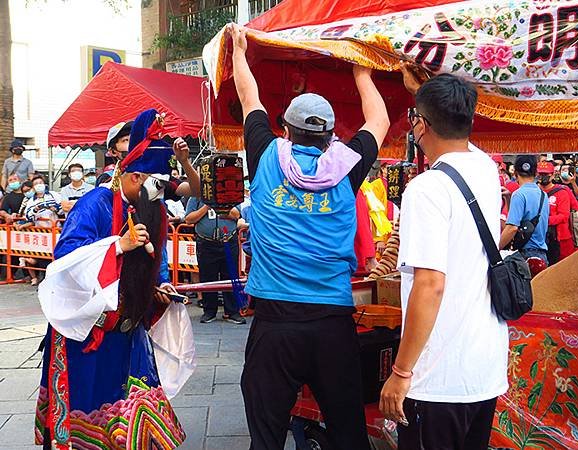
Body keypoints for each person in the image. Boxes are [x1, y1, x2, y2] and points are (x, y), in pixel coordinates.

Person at [229, 23, 390, 450]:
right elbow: (380, 119)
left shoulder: (265, 154)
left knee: (265, 437)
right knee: (348, 432)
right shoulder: (348, 167)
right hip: (332, 324)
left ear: (286, 129)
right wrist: (362, 74)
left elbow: (250, 98)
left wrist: (240, 52)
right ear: (330, 135)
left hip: (275, 323)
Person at [34, 109, 194, 450]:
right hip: (87, 330)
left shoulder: (148, 205)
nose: (160, 193)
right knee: (90, 405)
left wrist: (160, 284)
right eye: (156, 185)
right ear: (135, 177)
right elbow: (64, 262)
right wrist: (117, 246)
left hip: (127, 324)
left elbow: (155, 256)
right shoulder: (93, 204)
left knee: (133, 403)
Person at [379, 74, 508, 450]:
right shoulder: (485, 168)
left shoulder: (427, 188)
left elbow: (430, 284)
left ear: (421, 124)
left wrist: (401, 373)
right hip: (482, 370)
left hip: (438, 380)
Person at [184, 195, 246, 324]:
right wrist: (207, 206)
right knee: (207, 276)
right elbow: (189, 219)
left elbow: (236, 215)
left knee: (230, 276)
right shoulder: (195, 197)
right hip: (206, 242)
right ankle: (209, 311)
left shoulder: (229, 193)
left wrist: (219, 206)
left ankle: (232, 311)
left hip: (228, 241)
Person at [499, 156, 550, 264]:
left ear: (515, 173)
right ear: (536, 173)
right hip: (541, 254)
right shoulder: (543, 195)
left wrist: (496, 248)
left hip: (525, 255)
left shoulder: (519, 194)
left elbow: (512, 228)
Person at [538, 160, 576, 264]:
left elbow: (564, 216)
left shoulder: (561, 192)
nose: (542, 177)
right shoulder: (535, 191)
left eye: (545, 174)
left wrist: (543, 220)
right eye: (540, 174)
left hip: (560, 239)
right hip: (539, 238)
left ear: (552, 175)